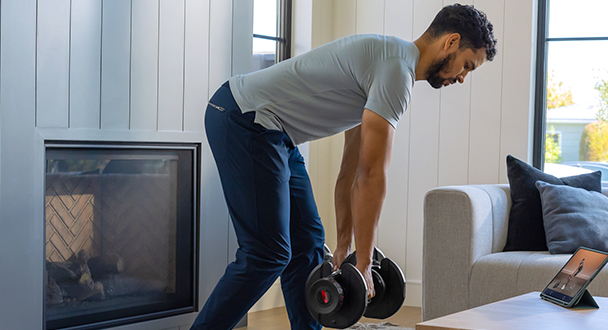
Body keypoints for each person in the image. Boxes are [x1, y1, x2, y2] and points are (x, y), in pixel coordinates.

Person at [192, 4, 497, 330]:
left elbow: (351, 171)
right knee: (267, 253)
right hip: (245, 117)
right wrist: (363, 263)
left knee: (308, 243)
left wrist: (343, 245)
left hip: (274, 132)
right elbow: (371, 176)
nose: (462, 78)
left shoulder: (387, 61)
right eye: (467, 65)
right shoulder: (395, 71)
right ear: (451, 42)